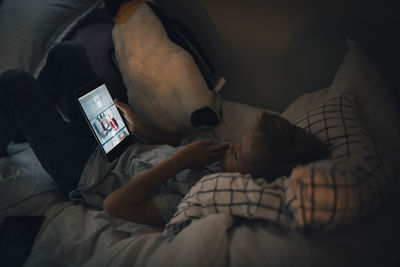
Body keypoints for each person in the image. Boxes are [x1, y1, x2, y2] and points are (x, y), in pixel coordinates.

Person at [0, 41, 329, 226]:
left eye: (238, 153)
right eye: (237, 144)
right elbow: (175, 143)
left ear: (250, 179)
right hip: (116, 139)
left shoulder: (198, 197)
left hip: (85, 171)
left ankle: (15, 129)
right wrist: (141, 127)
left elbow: (116, 205)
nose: (229, 147)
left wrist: (181, 161)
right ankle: (22, 129)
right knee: (67, 53)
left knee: (14, 82)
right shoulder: (222, 159)